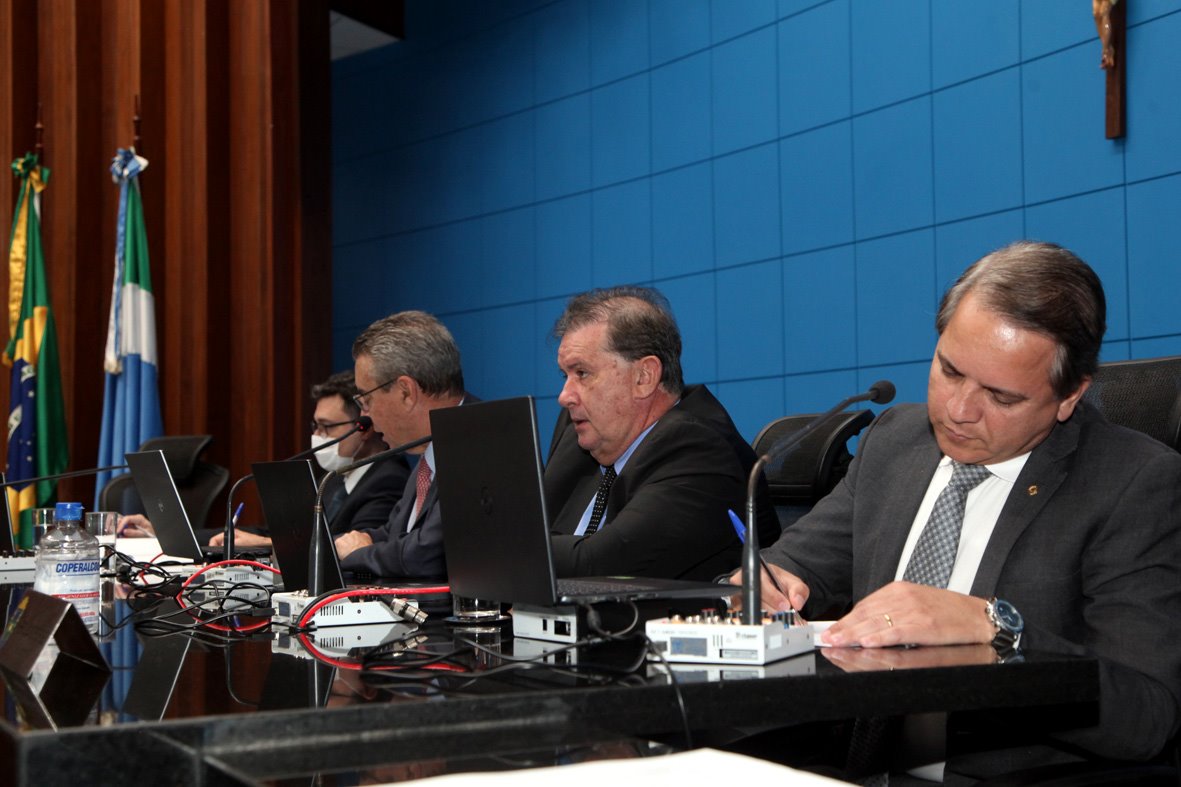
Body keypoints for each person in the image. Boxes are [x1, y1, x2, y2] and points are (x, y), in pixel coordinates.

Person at [736, 242, 1181, 780]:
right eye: (949, 370)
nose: (958, 410)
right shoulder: (895, 441)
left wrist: (994, 629)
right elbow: (792, 565)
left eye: (1002, 397)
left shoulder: (1134, 484)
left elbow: (1145, 717)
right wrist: (764, 584)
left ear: (1070, 397)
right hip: (854, 767)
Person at [544, 286, 780, 581]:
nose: (564, 396)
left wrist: (500, 546)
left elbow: (601, 566)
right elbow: (529, 528)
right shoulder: (579, 436)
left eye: (582, 373)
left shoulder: (700, 450)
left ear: (644, 377)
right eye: (565, 375)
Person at [121, 371, 406, 547]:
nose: (318, 436)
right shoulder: (333, 478)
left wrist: (267, 544)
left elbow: (356, 547)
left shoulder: (388, 479)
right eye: (315, 426)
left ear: (364, 427)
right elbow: (272, 533)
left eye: (327, 426)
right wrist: (167, 533)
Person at [334, 311, 472, 578]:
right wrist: (338, 544)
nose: (365, 416)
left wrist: (359, 554)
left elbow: (429, 553)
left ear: (406, 392)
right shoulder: (430, 450)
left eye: (366, 400)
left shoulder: (478, 443)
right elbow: (394, 534)